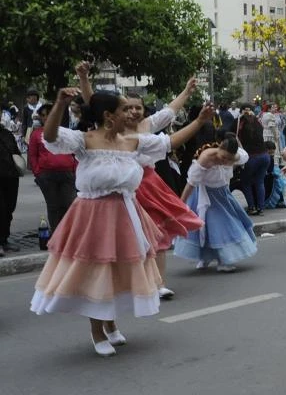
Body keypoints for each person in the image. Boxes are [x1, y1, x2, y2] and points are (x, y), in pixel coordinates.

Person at [30, 88, 204, 356]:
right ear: (109, 115)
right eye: (124, 109)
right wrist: (59, 105)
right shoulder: (84, 140)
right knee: (96, 271)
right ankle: (97, 330)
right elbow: (51, 136)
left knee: (116, 270)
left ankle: (110, 323)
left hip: (125, 213)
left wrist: (199, 122)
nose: (131, 113)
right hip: (92, 216)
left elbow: (169, 143)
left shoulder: (133, 141)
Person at [174, 135, 256, 272]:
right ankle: (204, 258)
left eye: (229, 159)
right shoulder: (206, 158)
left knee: (222, 226)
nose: (224, 161)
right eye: (223, 157)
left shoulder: (236, 157)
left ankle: (223, 260)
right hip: (203, 195)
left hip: (222, 194)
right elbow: (191, 184)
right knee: (207, 227)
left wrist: (237, 144)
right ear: (219, 148)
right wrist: (181, 204)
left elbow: (244, 155)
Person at [28, 103, 77, 233]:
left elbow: (75, 152)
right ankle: (57, 235)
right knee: (54, 206)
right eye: (43, 115)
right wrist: (38, 174)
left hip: (67, 173)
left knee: (70, 204)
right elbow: (32, 156)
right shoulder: (36, 134)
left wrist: (74, 169)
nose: (46, 117)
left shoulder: (65, 132)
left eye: (49, 114)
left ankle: (71, 234)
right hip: (47, 175)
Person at [237, 105, 271, 215]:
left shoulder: (241, 124)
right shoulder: (258, 123)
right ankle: (261, 208)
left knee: (246, 182)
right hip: (265, 156)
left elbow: (235, 134)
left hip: (251, 157)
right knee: (260, 182)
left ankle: (252, 207)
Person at [0, 115, 24, 257]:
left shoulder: (7, 134)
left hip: (10, 177)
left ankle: (5, 240)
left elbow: (16, 152)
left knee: (9, 208)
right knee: (1, 209)